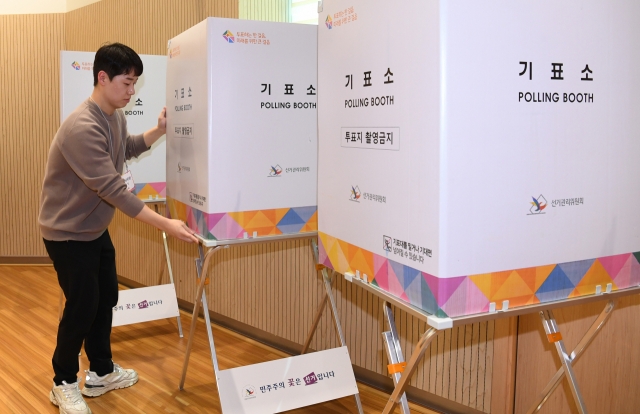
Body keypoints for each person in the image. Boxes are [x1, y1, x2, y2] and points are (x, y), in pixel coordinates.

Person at [39, 42, 197, 414]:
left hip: (93, 228)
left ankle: (101, 372)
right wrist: (166, 224)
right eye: (127, 83)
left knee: (106, 296)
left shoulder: (114, 115)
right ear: (102, 77)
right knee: (82, 305)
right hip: (66, 233)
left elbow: (123, 148)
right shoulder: (81, 125)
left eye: (135, 84)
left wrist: (158, 131)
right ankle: (62, 381)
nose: (131, 91)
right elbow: (114, 190)